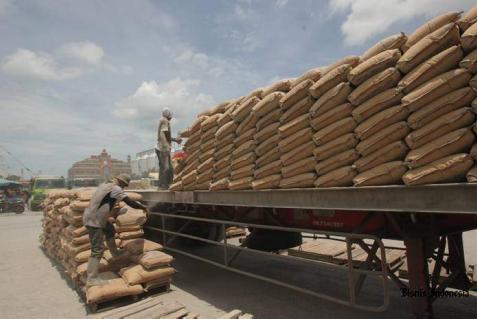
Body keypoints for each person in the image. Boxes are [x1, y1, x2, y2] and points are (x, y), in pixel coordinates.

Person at [83, 174, 148, 286]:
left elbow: (101, 201)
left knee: (110, 230)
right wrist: (144, 208)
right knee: (97, 249)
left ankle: (115, 253)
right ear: (122, 183)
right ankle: (91, 278)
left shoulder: (105, 185)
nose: (123, 188)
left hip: (96, 216)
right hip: (95, 221)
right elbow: (130, 202)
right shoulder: (116, 189)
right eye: (124, 186)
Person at [156, 108, 181, 190]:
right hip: (162, 148)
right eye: (170, 115)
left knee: (168, 167)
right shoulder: (165, 120)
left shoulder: (163, 121)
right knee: (166, 167)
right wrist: (166, 147)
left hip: (161, 147)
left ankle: (167, 184)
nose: (171, 117)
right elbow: (162, 134)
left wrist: (175, 140)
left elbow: (167, 136)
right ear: (168, 114)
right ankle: (163, 186)